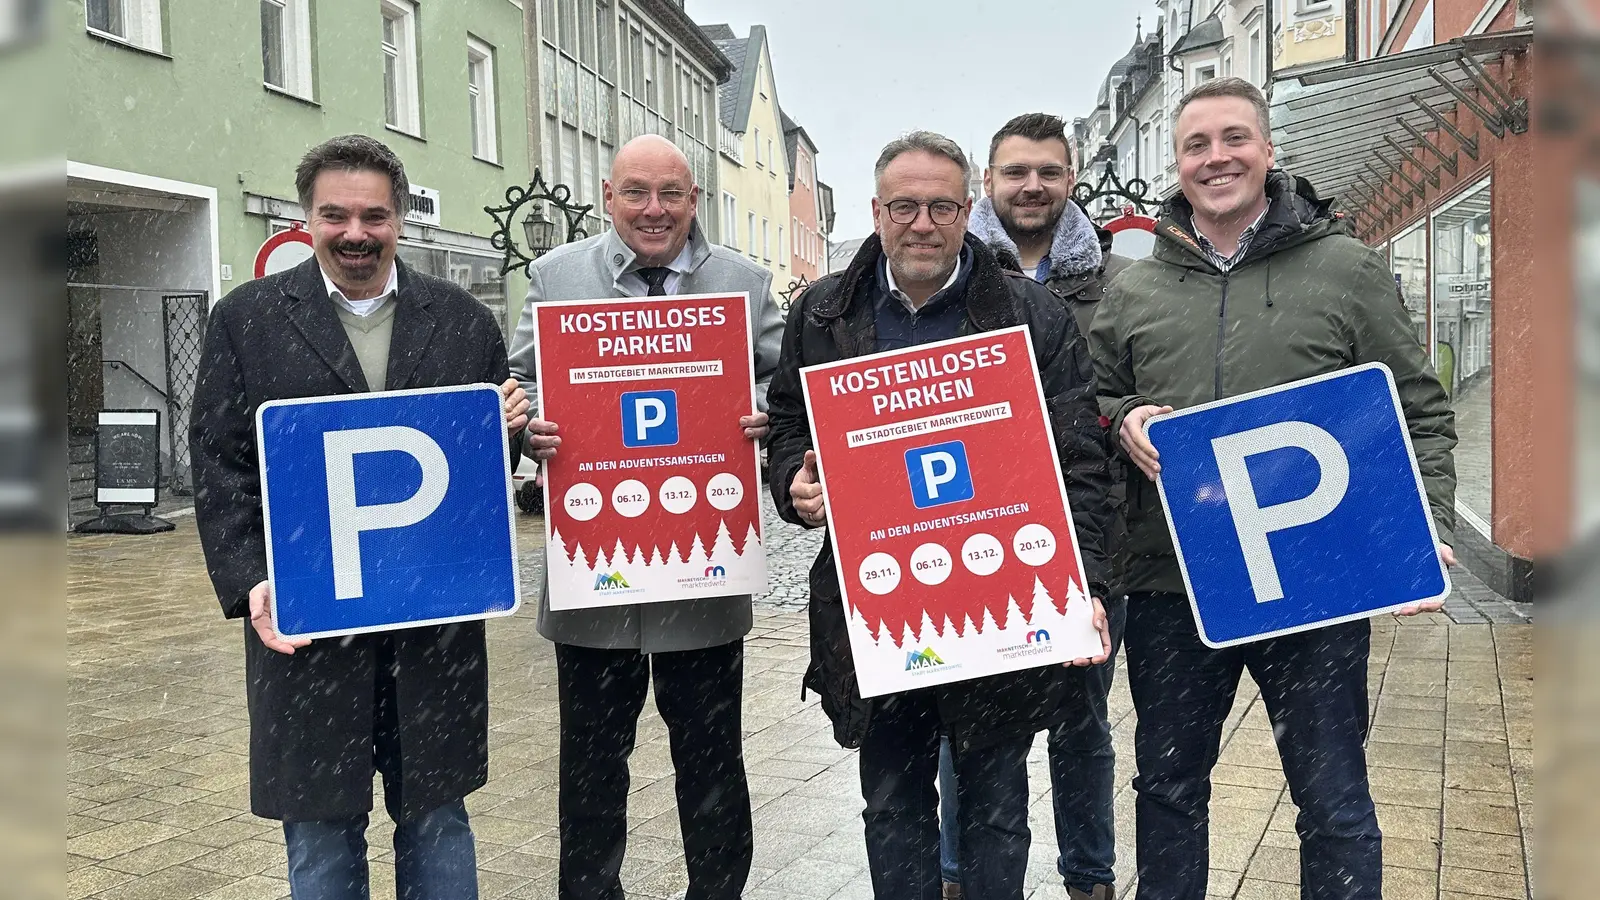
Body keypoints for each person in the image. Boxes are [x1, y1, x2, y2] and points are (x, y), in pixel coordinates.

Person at [1088, 77, 1458, 900]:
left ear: (1267, 152)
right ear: (1177, 165)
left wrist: (1424, 519)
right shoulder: (1135, 288)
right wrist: (1124, 422)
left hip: (1316, 584)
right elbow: (1092, 402)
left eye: (1233, 139)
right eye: (1196, 145)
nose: (1216, 158)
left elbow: (1418, 407)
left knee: (1332, 799)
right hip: (1172, 582)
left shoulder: (1345, 268)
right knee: (1169, 790)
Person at [764, 130, 1115, 900]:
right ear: (875, 211)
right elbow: (789, 422)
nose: (923, 223)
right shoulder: (823, 313)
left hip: (999, 600)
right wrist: (794, 481)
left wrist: (1081, 581)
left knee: (994, 809)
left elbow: (1079, 465)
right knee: (892, 804)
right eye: (904, 206)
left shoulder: (1032, 315)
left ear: (969, 209)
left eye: (943, 207)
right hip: (878, 604)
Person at [190, 134, 529, 900]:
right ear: (306, 218)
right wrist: (250, 583)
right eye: (334, 214)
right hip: (310, 633)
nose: (354, 233)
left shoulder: (464, 321)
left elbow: (476, 486)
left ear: (399, 220)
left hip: (431, 634)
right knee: (320, 840)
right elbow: (219, 469)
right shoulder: (246, 321)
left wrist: (499, 435)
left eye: (373, 215)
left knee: (440, 824)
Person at [504, 134, 784, 900]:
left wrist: (767, 417)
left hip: (705, 569)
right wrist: (526, 428)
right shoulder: (556, 277)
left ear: (696, 200)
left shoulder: (744, 282)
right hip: (593, 570)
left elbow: (788, 394)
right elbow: (518, 386)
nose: (654, 210)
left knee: (712, 759)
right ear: (607, 195)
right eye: (637, 193)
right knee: (592, 765)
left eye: (671, 194)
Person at [936, 112, 1134, 900]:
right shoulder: (947, 275)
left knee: (1085, 721)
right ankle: (960, 873)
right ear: (987, 183)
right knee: (970, 727)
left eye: (1049, 171)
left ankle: (1089, 877)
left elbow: (1129, 385)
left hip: (1089, 529)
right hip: (977, 530)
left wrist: (1123, 418)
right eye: (1016, 171)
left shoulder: (1119, 282)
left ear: (1071, 179)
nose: (1032, 185)